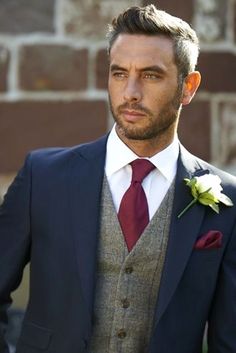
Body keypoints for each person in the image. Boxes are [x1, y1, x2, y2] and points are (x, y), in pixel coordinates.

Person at [0, 4, 236, 353]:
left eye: (151, 75)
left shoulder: (227, 200)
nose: (130, 93)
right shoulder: (43, 177)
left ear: (188, 87)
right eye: (120, 73)